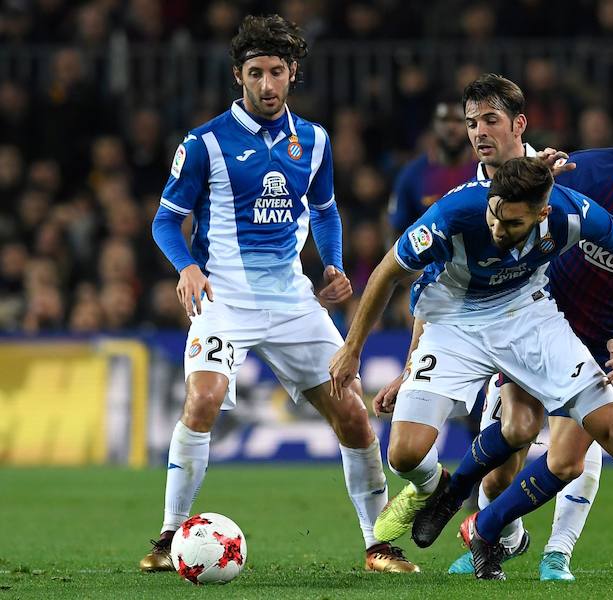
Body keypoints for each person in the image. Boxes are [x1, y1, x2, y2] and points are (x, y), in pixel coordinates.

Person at [329, 156, 613, 581]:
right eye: (495, 216)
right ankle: (438, 488)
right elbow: (387, 272)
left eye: (512, 223)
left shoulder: (572, 214)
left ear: (542, 214)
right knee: (405, 454)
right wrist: (353, 348)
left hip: (526, 318)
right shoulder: (454, 213)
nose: (498, 229)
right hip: (453, 321)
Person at [141, 14, 417, 575]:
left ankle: (379, 543)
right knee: (202, 400)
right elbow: (166, 222)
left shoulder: (313, 141)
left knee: (355, 418)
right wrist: (188, 267)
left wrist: (335, 263)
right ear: (238, 76)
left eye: (277, 72)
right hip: (224, 299)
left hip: (295, 303)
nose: (267, 85)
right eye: (256, 73)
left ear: (293, 74)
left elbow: (325, 210)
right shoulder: (204, 143)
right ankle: (169, 538)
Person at [388, 95, 479, 235]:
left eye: (458, 120)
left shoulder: (487, 169)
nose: (451, 127)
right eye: (444, 120)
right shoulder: (412, 174)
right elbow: (396, 229)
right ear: (433, 124)